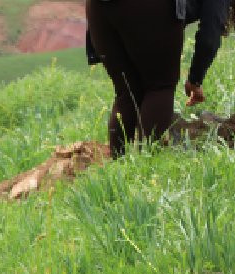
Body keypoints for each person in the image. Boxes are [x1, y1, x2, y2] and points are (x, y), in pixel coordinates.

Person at [86, 0, 234, 157]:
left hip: (98, 8)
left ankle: (117, 166)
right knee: (159, 87)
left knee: (127, 92)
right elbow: (210, 36)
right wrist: (195, 79)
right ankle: (144, 168)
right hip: (147, 8)